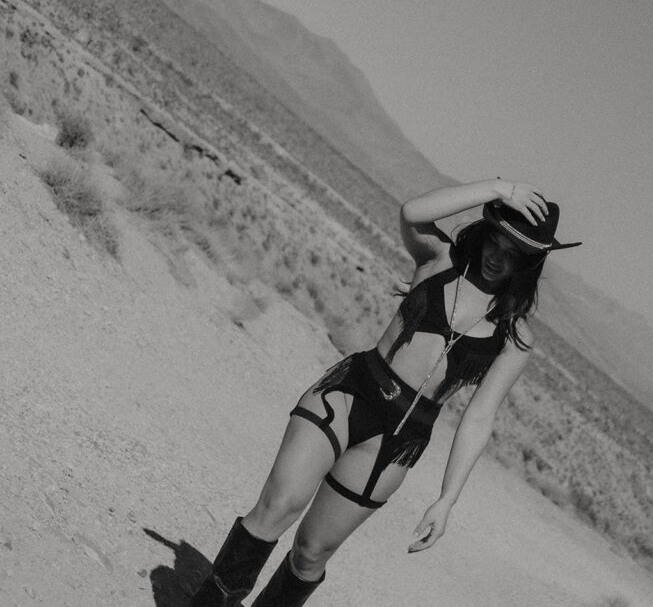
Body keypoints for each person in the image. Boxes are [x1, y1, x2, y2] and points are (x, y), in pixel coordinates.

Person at [191, 178, 580, 606]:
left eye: (512, 254)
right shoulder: (439, 259)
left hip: (399, 439)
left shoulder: (514, 336)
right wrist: (498, 189)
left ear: (528, 265)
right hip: (350, 394)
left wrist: (446, 500)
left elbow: (479, 417)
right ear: (486, 232)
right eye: (495, 241)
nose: (496, 257)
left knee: (310, 554)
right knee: (279, 505)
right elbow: (413, 210)